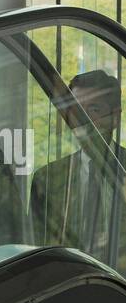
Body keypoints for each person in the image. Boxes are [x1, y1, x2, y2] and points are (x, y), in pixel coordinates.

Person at [31, 70, 126, 270]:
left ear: (115, 118)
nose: (82, 120)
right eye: (75, 111)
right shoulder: (47, 179)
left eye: (93, 109)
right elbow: (35, 251)